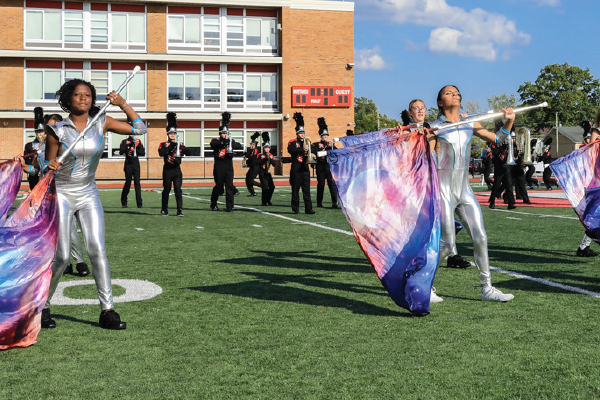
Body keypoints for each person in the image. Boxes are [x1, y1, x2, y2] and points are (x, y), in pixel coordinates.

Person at [44, 78, 147, 329]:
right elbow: (46, 167)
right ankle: (42, 306)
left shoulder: (101, 122)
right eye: (78, 95)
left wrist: (122, 103)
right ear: (68, 98)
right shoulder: (56, 129)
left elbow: (140, 129)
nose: (83, 99)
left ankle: (107, 310)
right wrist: (50, 165)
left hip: (89, 192)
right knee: (61, 256)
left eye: (88, 95)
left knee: (97, 249)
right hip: (63, 193)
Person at [431, 85, 514, 302]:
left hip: (464, 191)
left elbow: (497, 139)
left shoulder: (469, 122)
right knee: (448, 243)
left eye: (457, 92)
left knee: (481, 237)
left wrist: (509, 121)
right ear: (440, 103)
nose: (455, 95)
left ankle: (487, 288)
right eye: (449, 93)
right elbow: (419, 157)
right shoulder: (434, 128)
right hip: (443, 191)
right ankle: (423, 285)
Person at [210, 112, 243, 212]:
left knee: (229, 186)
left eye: (226, 133)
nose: (225, 134)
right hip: (219, 166)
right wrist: (224, 142)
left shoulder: (230, 140)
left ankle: (230, 206)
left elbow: (239, 145)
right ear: (220, 133)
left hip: (229, 166)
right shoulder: (216, 140)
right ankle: (213, 204)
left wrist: (230, 142)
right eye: (223, 133)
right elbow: (213, 144)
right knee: (219, 187)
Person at [158, 112, 189, 217]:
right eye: (171, 133)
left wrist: (181, 147)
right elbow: (161, 153)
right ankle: (164, 209)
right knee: (166, 189)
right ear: (167, 134)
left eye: (174, 133)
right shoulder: (163, 144)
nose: (172, 135)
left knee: (178, 190)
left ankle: (179, 210)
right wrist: (171, 147)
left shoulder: (180, 144)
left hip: (177, 170)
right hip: (167, 170)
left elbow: (188, 152)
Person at [576, 121, 598, 257]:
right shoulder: (597, 130)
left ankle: (584, 247)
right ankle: (583, 247)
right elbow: (591, 150)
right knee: (594, 214)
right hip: (597, 176)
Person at [288, 112, 315, 215]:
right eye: (300, 133)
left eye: (303, 133)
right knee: (295, 189)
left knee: (306, 190)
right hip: (296, 167)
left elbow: (312, 151)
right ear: (297, 133)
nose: (302, 134)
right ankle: (296, 209)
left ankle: (308, 209)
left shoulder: (308, 141)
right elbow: (291, 151)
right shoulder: (292, 142)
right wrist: (301, 149)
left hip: (305, 168)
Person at [311, 117, 338, 208]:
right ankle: (319, 202)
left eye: (326, 136)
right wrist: (320, 151)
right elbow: (313, 150)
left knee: (331, 185)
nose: (325, 137)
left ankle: (334, 202)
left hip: (329, 166)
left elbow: (336, 152)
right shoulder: (316, 144)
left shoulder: (331, 144)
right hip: (320, 166)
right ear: (321, 136)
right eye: (324, 136)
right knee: (321, 184)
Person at [488, 123, 516, 210]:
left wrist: (513, 146)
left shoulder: (510, 140)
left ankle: (511, 203)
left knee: (509, 184)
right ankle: (492, 201)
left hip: (507, 164)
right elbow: (495, 152)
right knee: (497, 183)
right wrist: (502, 151)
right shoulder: (496, 139)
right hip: (499, 164)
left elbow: (514, 153)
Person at [119, 133, 145, 208]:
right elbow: (121, 151)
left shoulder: (138, 141)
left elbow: (143, 153)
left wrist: (135, 148)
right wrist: (129, 146)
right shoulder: (124, 141)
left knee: (137, 183)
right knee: (128, 183)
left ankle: (139, 204)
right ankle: (124, 202)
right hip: (128, 164)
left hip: (136, 163)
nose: (132, 134)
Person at [22, 107, 45, 189]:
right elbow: (27, 164)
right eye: (38, 131)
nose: (40, 134)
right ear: (35, 132)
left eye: (42, 131)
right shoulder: (29, 146)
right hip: (34, 178)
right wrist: (37, 171)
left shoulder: (50, 145)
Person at [258, 132, 276, 206]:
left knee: (272, 187)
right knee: (265, 187)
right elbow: (257, 162)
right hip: (262, 172)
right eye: (265, 148)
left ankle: (268, 200)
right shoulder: (260, 155)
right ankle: (264, 201)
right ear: (263, 148)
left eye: (268, 148)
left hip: (268, 172)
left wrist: (271, 160)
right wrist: (264, 160)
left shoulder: (271, 155)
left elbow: (274, 164)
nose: (267, 149)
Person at [244, 132, 261, 197]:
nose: (250, 145)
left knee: (250, 180)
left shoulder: (256, 150)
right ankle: (252, 192)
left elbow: (254, 158)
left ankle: (263, 186)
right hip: (252, 167)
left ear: (255, 145)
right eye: (250, 144)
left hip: (255, 167)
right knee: (247, 179)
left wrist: (248, 156)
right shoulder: (251, 150)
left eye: (252, 144)